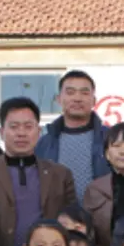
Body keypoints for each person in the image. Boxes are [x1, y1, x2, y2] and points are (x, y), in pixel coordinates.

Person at [0, 98, 76, 246]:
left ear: (39, 132)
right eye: (14, 127)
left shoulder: (61, 175)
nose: (21, 133)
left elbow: (71, 223)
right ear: (2, 133)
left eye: (28, 127)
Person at [35, 70, 110, 202]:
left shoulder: (110, 139)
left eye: (84, 93)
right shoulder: (43, 144)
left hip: (102, 219)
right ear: (59, 99)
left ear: (93, 100)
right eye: (70, 92)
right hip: (57, 220)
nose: (77, 98)